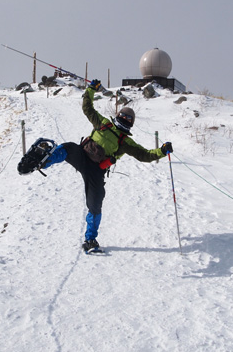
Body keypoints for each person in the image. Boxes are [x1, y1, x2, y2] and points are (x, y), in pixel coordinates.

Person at [38, 79, 173, 253]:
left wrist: (161, 151)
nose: (125, 118)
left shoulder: (125, 141)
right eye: (123, 115)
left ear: (131, 123)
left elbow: (144, 155)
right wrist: (90, 90)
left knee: (95, 205)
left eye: (128, 118)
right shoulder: (103, 123)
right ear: (117, 116)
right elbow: (88, 108)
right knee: (68, 148)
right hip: (83, 155)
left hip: (97, 170)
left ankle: (90, 240)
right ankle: (43, 160)